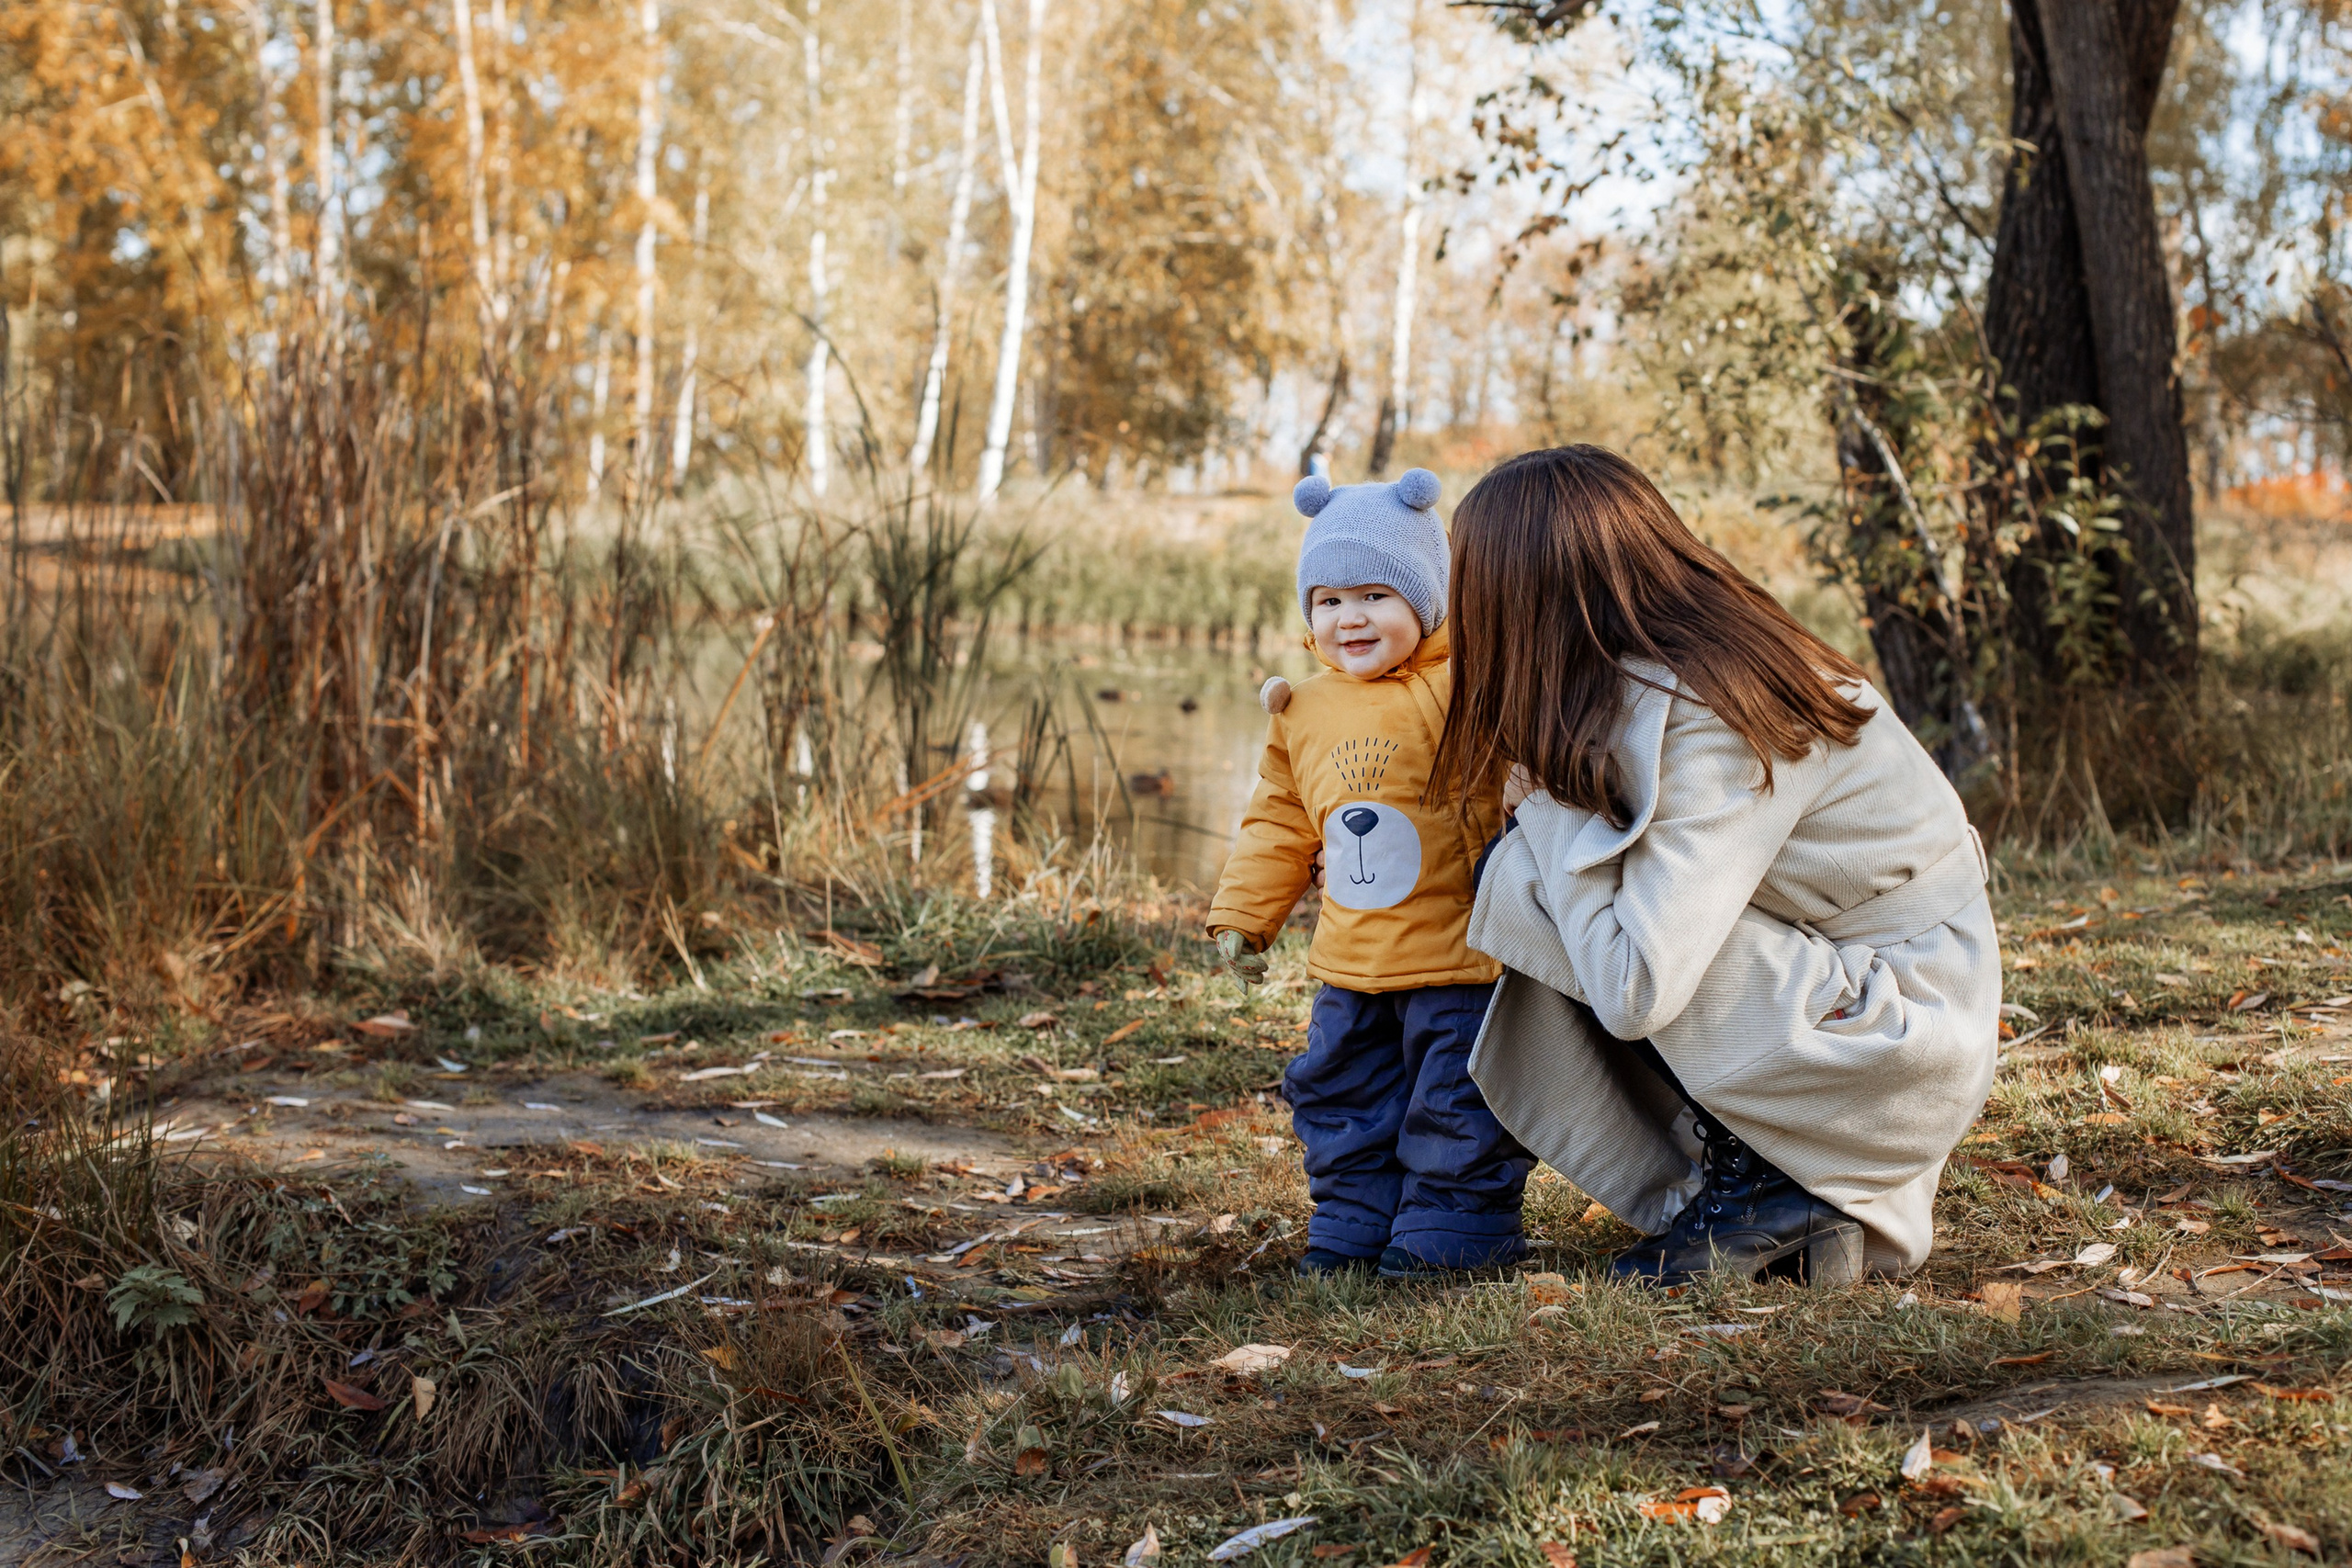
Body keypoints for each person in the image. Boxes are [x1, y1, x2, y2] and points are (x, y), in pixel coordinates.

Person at [1434, 446, 2000, 1285]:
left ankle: (1781, 1183)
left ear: (1524, 603)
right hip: (1875, 992)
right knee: (1531, 871)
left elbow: (1637, 987)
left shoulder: (1719, 713)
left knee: (1534, 880)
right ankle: (1790, 1191)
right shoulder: (1680, 671)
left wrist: (1551, 809)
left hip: (1903, 1031)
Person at [1208, 468, 1528, 1280]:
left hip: (1460, 955)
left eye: (1377, 595)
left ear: (1427, 599)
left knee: (1455, 1095)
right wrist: (1246, 915)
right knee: (1343, 1089)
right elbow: (1280, 817)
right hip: (1351, 960)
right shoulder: (1304, 710)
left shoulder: (1469, 685)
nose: (1350, 617)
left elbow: (1529, 765)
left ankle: (1455, 1224)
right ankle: (1354, 1216)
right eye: (1329, 600)